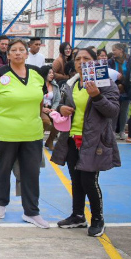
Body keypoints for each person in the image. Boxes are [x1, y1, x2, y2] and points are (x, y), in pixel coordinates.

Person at [51, 47, 120, 237]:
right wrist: (61, 108)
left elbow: (113, 111)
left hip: (94, 140)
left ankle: (98, 219)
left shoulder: (106, 84)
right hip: (72, 138)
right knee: (76, 180)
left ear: (95, 62)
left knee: (89, 180)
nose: (82, 62)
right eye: (78, 58)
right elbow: (59, 104)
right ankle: (78, 215)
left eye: (86, 58)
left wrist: (97, 96)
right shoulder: (71, 84)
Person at [0, 39, 49, 228]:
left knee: (31, 172)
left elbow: (40, 100)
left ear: (27, 54)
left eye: (22, 50)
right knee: (3, 169)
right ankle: (0, 203)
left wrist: (44, 114)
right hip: (6, 131)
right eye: (14, 50)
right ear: (8, 54)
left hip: (32, 132)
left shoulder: (36, 74)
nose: (18, 53)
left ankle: (31, 212)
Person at [108, 42, 131, 140]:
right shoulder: (111, 61)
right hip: (115, 87)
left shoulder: (130, 60)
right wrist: (117, 84)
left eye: (115, 50)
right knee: (114, 109)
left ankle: (122, 131)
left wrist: (123, 83)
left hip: (126, 87)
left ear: (121, 50)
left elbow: (130, 74)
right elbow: (109, 72)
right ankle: (112, 130)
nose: (113, 52)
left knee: (124, 110)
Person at [39, 65, 61, 150]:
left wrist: (54, 108)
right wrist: (42, 108)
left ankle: (50, 141)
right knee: (46, 121)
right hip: (40, 108)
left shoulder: (55, 85)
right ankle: (38, 140)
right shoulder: (38, 84)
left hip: (51, 109)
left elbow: (57, 100)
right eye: (49, 73)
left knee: (59, 121)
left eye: (52, 73)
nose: (52, 74)